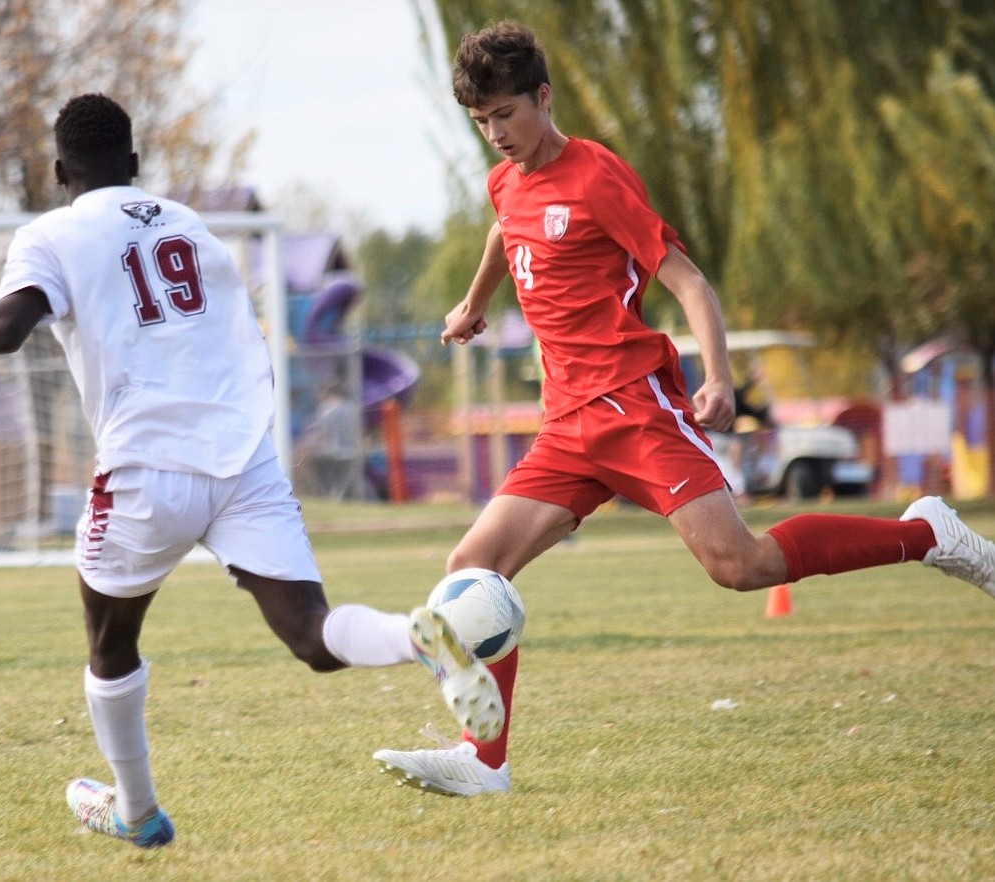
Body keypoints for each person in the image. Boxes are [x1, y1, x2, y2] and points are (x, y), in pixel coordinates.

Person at [0, 94, 503, 846]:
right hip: (243, 457)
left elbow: (2, 330)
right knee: (311, 635)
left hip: (144, 467)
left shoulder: (50, 234)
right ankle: (415, 637)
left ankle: (136, 812)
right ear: (135, 164)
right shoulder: (189, 224)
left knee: (110, 644)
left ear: (59, 168)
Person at [371, 21, 995, 797]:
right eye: (482, 122)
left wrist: (722, 377)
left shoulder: (597, 176)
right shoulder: (506, 181)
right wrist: (472, 305)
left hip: (635, 409)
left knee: (741, 565)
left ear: (543, 96)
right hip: (567, 427)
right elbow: (506, 230)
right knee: (471, 565)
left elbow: (689, 281)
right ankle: (485, 762)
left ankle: (925, 533)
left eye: (506, 114)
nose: (497, 134)